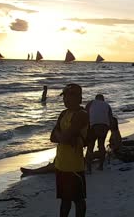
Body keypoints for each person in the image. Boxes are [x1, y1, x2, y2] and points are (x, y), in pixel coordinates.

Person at [51, 83, 89, 217]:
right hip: (60, 164)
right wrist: (63, 136)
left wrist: (60, 134)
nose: (66, 99)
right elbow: (52, 137)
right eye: (65, 96)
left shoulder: (81, 114)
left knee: (78, 199)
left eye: (70, 96)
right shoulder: (63, 113)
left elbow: (63, 137)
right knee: (64, 199)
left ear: (79, 98)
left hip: (74, 166)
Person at [85, 94, 113, 174]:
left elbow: (85, 114)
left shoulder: (91, 103)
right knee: (101, 145)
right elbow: (110, 118)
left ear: (96, 98)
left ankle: (89, 169)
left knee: (90, 146)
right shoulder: (107, 105)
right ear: (102, 99)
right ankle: (101, 166)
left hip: (93, 126)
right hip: (104, 126)